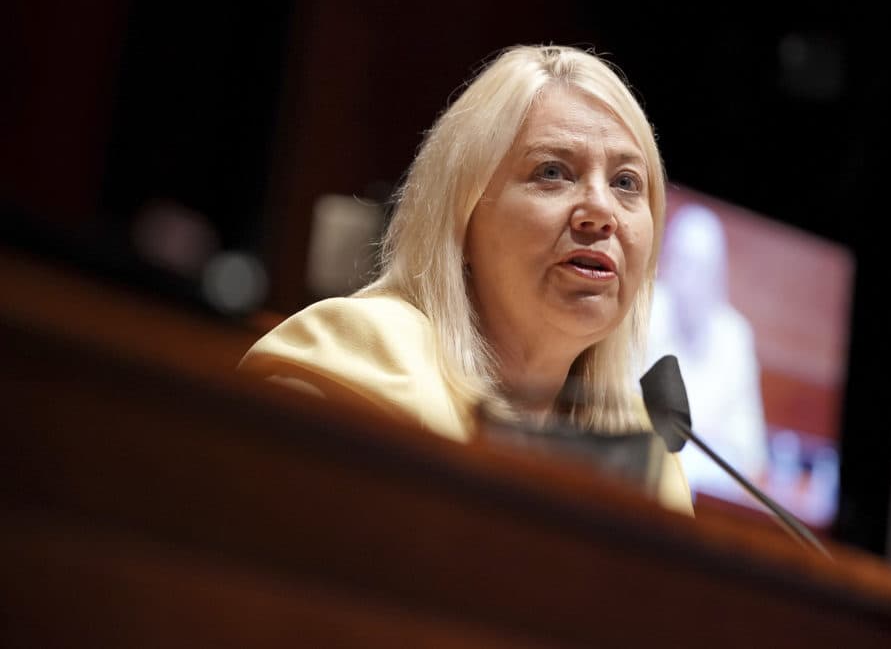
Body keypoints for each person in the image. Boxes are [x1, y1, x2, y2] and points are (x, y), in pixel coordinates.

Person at [240, 45, 693, 515]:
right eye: (552, 172)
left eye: (626, 183)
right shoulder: (359, 363)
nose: (601, 212)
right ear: (463, 216)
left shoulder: (648, 452)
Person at [645, 203, 769, 502]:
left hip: (711, 497)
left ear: (718, 275)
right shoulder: (644, 312)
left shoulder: (735, 336)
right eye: (683, 263)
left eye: (702, 268)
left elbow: (751, 449)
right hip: (643, 483)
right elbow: (618, 410)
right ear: (668, 262)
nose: (690, 281)